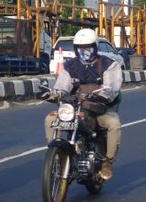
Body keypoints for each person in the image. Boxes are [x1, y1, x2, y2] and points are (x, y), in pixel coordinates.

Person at [43, 28, 122, 180]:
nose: (84, 51)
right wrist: (54, 93)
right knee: (50, 119)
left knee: (114, 124)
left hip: (98, 108)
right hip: (75, 107)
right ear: (75, 49)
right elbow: (62, 86)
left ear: (95, 47)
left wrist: (102, 94)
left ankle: (108, 162)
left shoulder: (108, 64)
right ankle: (57, 155)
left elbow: (111, 86)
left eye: (88, 47)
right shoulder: (69, 66)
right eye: (80, 48)